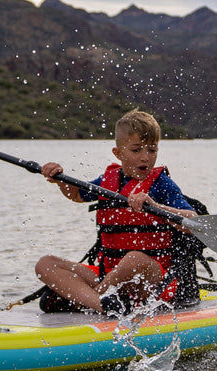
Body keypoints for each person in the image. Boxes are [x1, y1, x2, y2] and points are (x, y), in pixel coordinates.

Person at [35, 109, 200, 316]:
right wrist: (60, 179)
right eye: (136, 150)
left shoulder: (162, 184)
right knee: (46, 264)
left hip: (152, 280)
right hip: (108, 276)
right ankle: (101, 303)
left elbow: (194, 222)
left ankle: (84, 299)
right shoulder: (108, 180)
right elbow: (76, 194)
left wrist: (156, 207)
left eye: (152, 150)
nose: (145, 158)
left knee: (134, 259)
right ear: (118, 153)